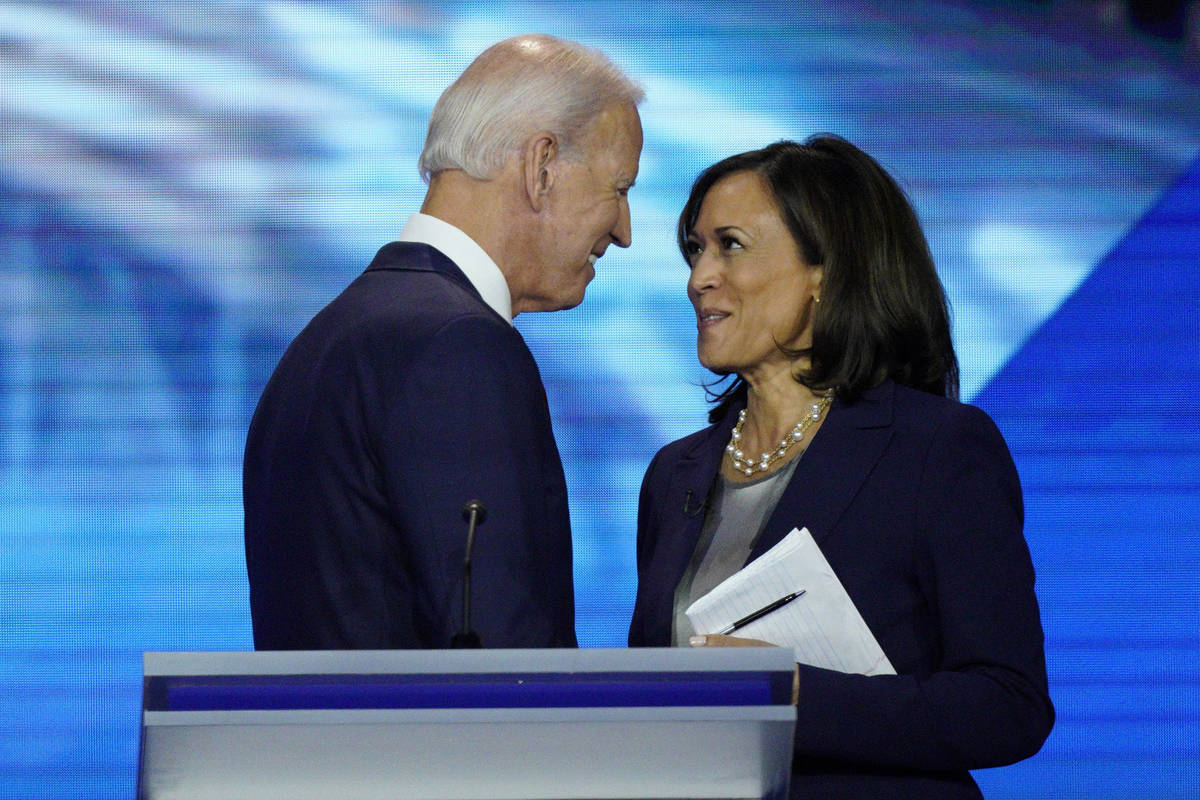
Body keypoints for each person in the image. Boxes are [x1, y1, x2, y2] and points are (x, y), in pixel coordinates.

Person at [628, 136, 1053, 798]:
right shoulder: (674, 473)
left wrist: (793, 695)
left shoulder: (937, 449)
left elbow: (1008, 704)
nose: (698, 277)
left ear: (824, 271)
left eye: (730, 245)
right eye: (695, 250)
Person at [244, 34, 644, 650]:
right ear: (541, 168)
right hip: (441, 750)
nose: (623, 231)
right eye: (618, 189)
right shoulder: (458, 349)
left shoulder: (327, 340)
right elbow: (500, 664)